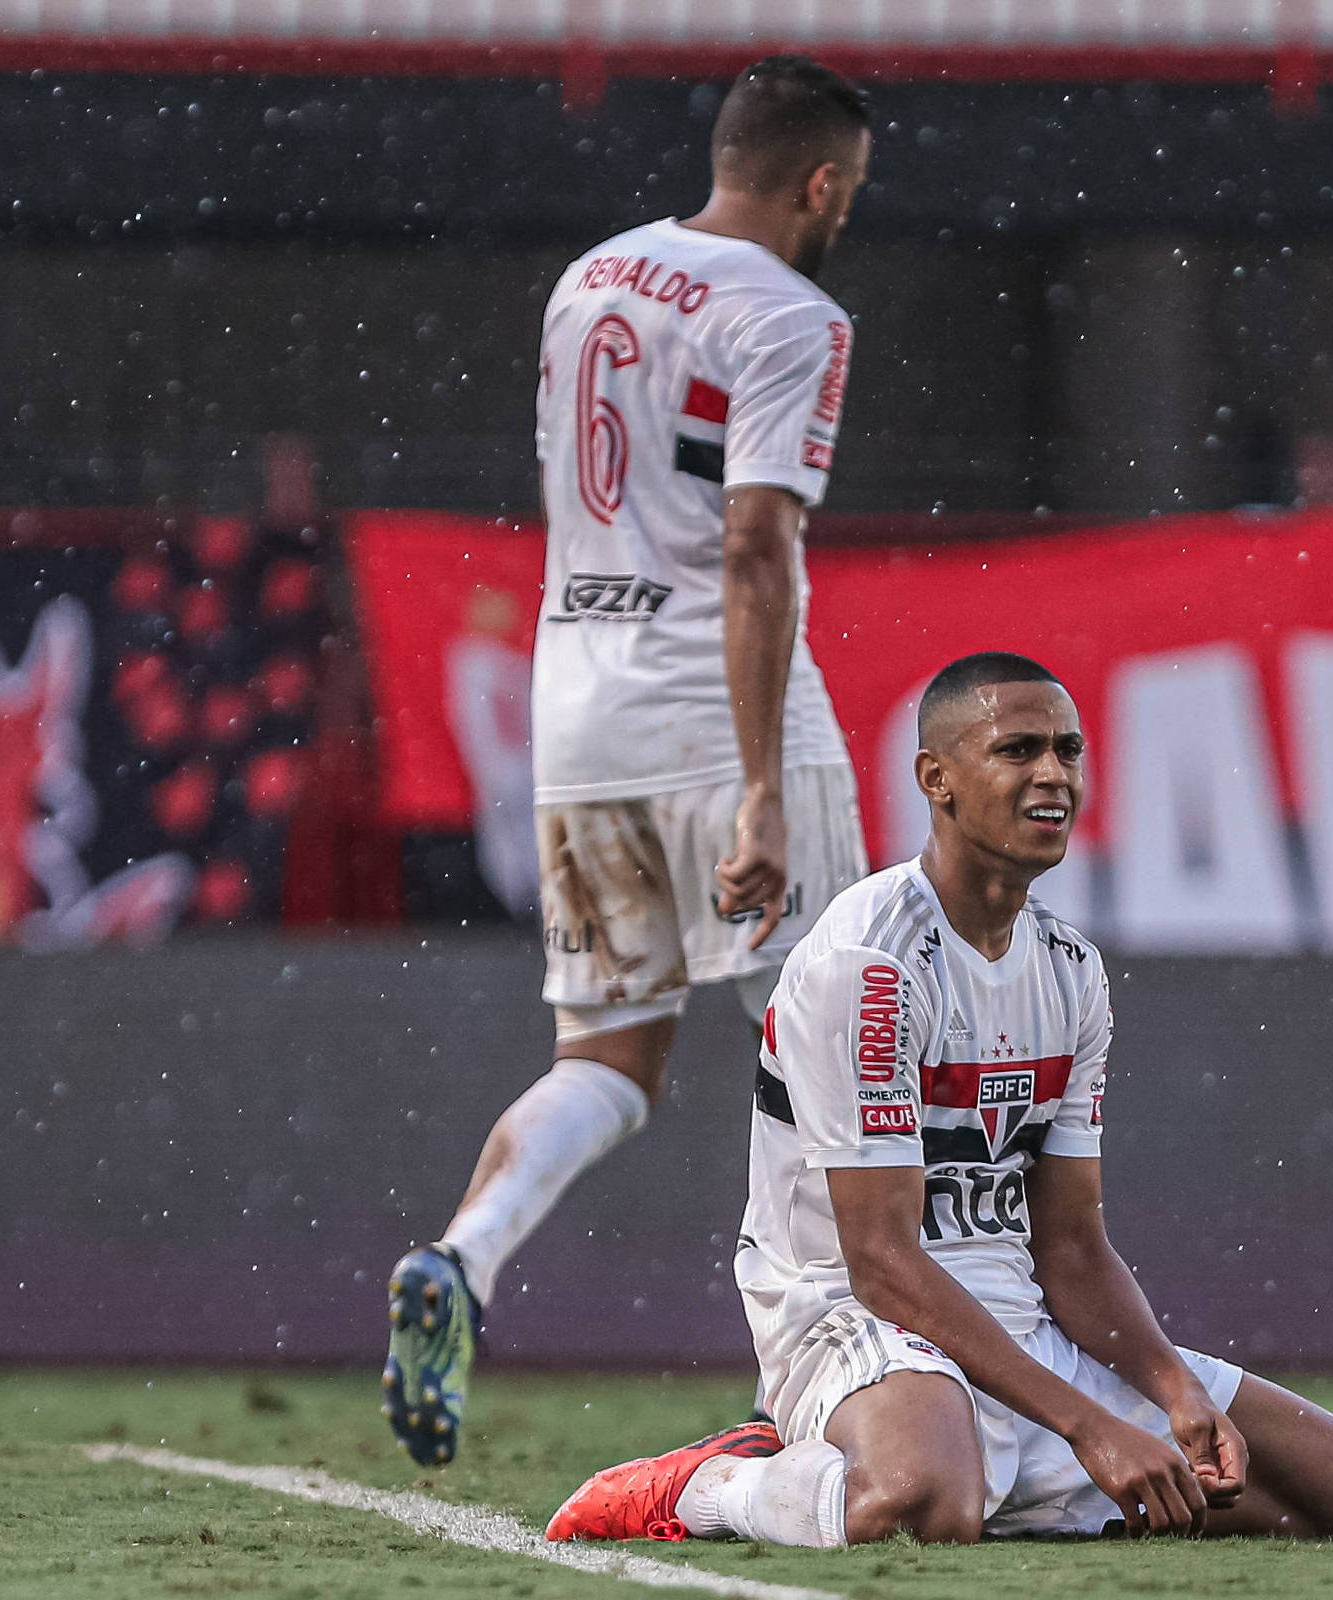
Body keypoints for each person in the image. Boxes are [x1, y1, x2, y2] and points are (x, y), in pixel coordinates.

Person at [544, 652, 1333, 1544]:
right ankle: (712, 1485)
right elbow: (880, 1260)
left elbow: (1071, 1247)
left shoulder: (1071, 969)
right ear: (938, 779)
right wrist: (1088, 1425)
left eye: (1069, 751)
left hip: (1020, 1334)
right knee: (921, 1504)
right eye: (1019, 750)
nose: (1054, 775)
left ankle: (988, 1478)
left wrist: (1171, 1389)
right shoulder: (869, 965)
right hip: (853, 1319)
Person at [381, 55, 876, 1466]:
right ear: (821, 183)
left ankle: (463, 1262)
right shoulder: (793, 314)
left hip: (577, 706)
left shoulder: (592, 277)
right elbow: (755, 541)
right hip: (712, 709)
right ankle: (836, 1374)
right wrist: (768, 785)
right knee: (830, 1043)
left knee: (609, 1055)